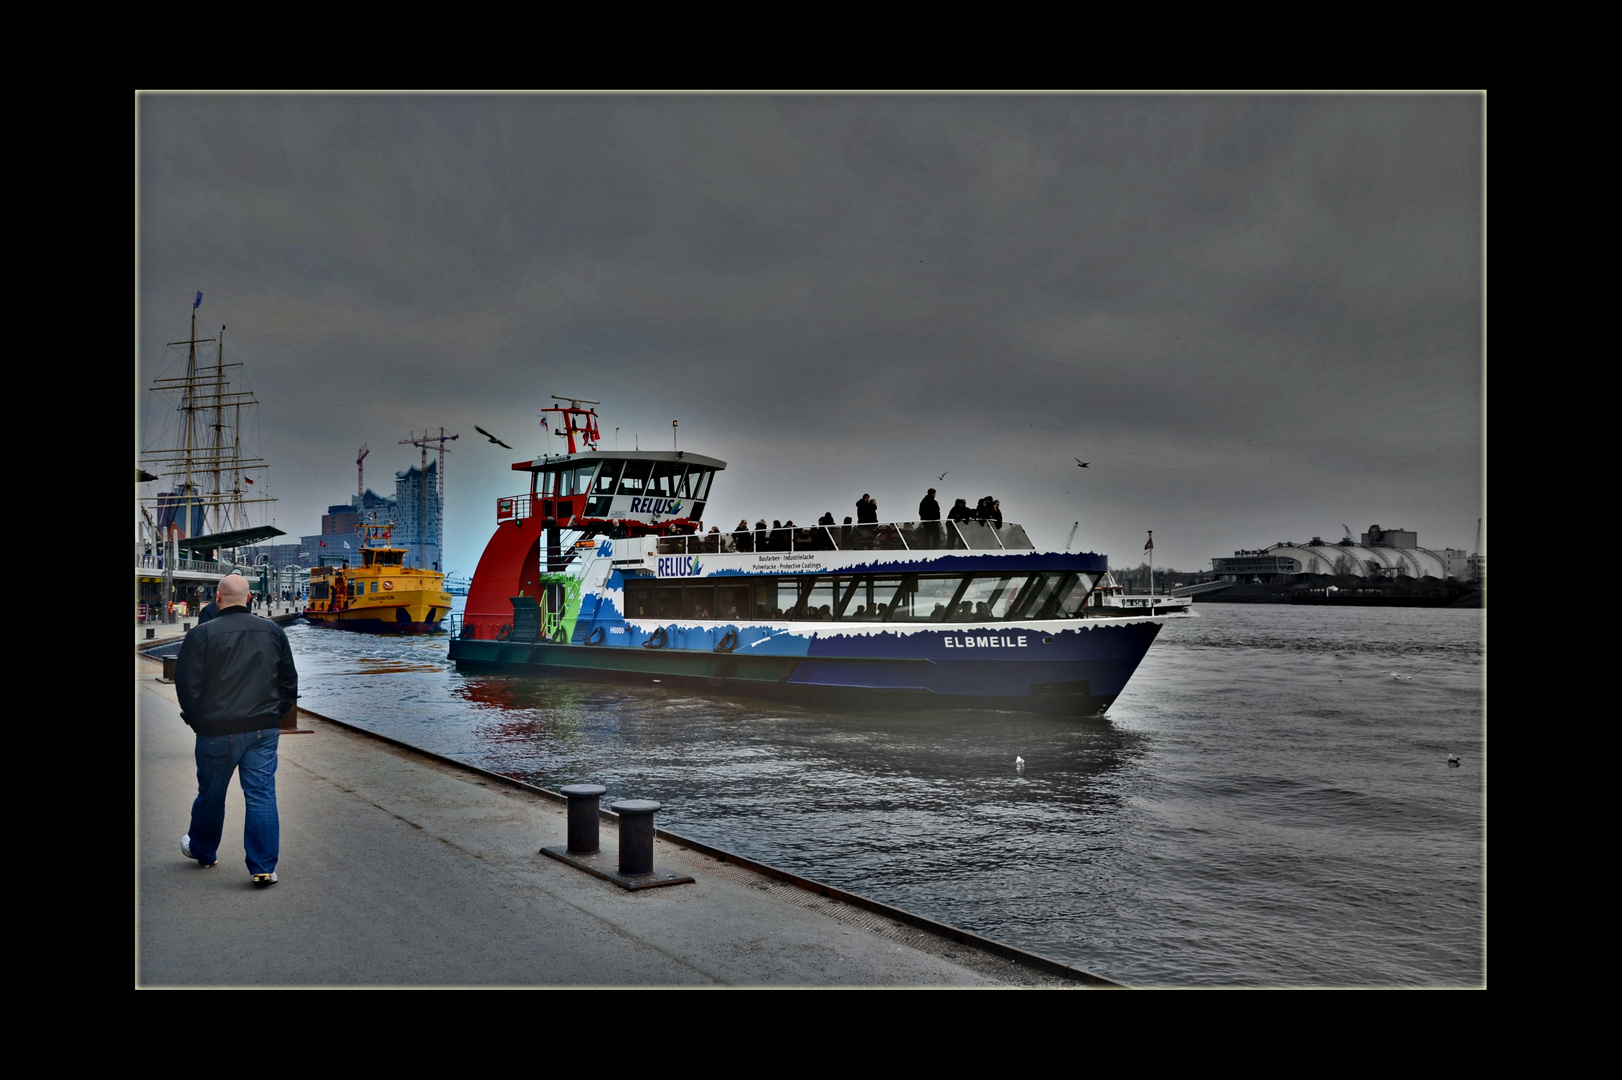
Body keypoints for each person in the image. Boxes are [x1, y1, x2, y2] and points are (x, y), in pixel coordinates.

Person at [174, 574, 298, 886]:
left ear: (217, 598)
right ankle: (263, 867)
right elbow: (289, 681)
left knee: (211, 794)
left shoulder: (201, 635)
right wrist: (275, 714)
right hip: (263, 730)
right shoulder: (273, 632)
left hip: (216, 729)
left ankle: (204, 852)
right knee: (261, 794)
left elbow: (186, 684)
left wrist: (197, 721)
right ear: (250, 599)